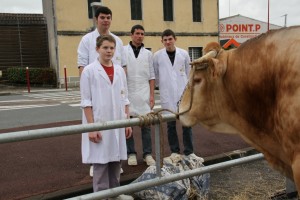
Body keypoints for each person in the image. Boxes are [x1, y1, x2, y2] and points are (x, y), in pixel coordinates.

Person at [80, 35, 133, 200]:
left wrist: (127, 122)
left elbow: (125, 98)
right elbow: (86, 101)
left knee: (116, 161)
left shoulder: (119, 71)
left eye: (111, 48)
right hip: (99, 123)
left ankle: (115, 194)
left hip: (117, 121)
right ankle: (101, 197)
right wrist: (92, 127)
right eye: (105, 48)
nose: (109, 51)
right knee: (101, 163)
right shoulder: (89, 71)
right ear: (97, 49)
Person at [77, 6, 126, 176]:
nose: (106, 20)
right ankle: (96, 165)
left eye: (108, 17)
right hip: (96, 95)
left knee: (115, 139)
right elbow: (82, 66)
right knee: (98, 144)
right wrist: (88, 91)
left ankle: (115, 166)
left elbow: (122, 67)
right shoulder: (87, 40)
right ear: (96, 19)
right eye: (102, 17)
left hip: (114, 93)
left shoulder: (118, 41)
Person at [153, 29, 201, 161]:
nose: (168, 42)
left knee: (186, 123)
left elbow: (187, 71)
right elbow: (156, 75)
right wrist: (162, 85)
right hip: (166, 94)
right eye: (165, 40)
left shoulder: (184, 54)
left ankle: (189, 151)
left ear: (175, 39)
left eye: (170, 39)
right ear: (162, 41)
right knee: (171, 125)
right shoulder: (157, 56)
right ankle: (174, 151)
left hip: (182, 93)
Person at [123, 25, 156, 166]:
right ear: (131, 35)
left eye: (142, 33)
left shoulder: (148, 54)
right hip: (128, 92)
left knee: (146, 126)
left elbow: (152, 76)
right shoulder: (123, 51)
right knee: (128, 125)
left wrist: (152, 95)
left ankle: (147, 154)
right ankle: (131, 153)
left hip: (144, 93)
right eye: (137, 33)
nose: (140, 36)